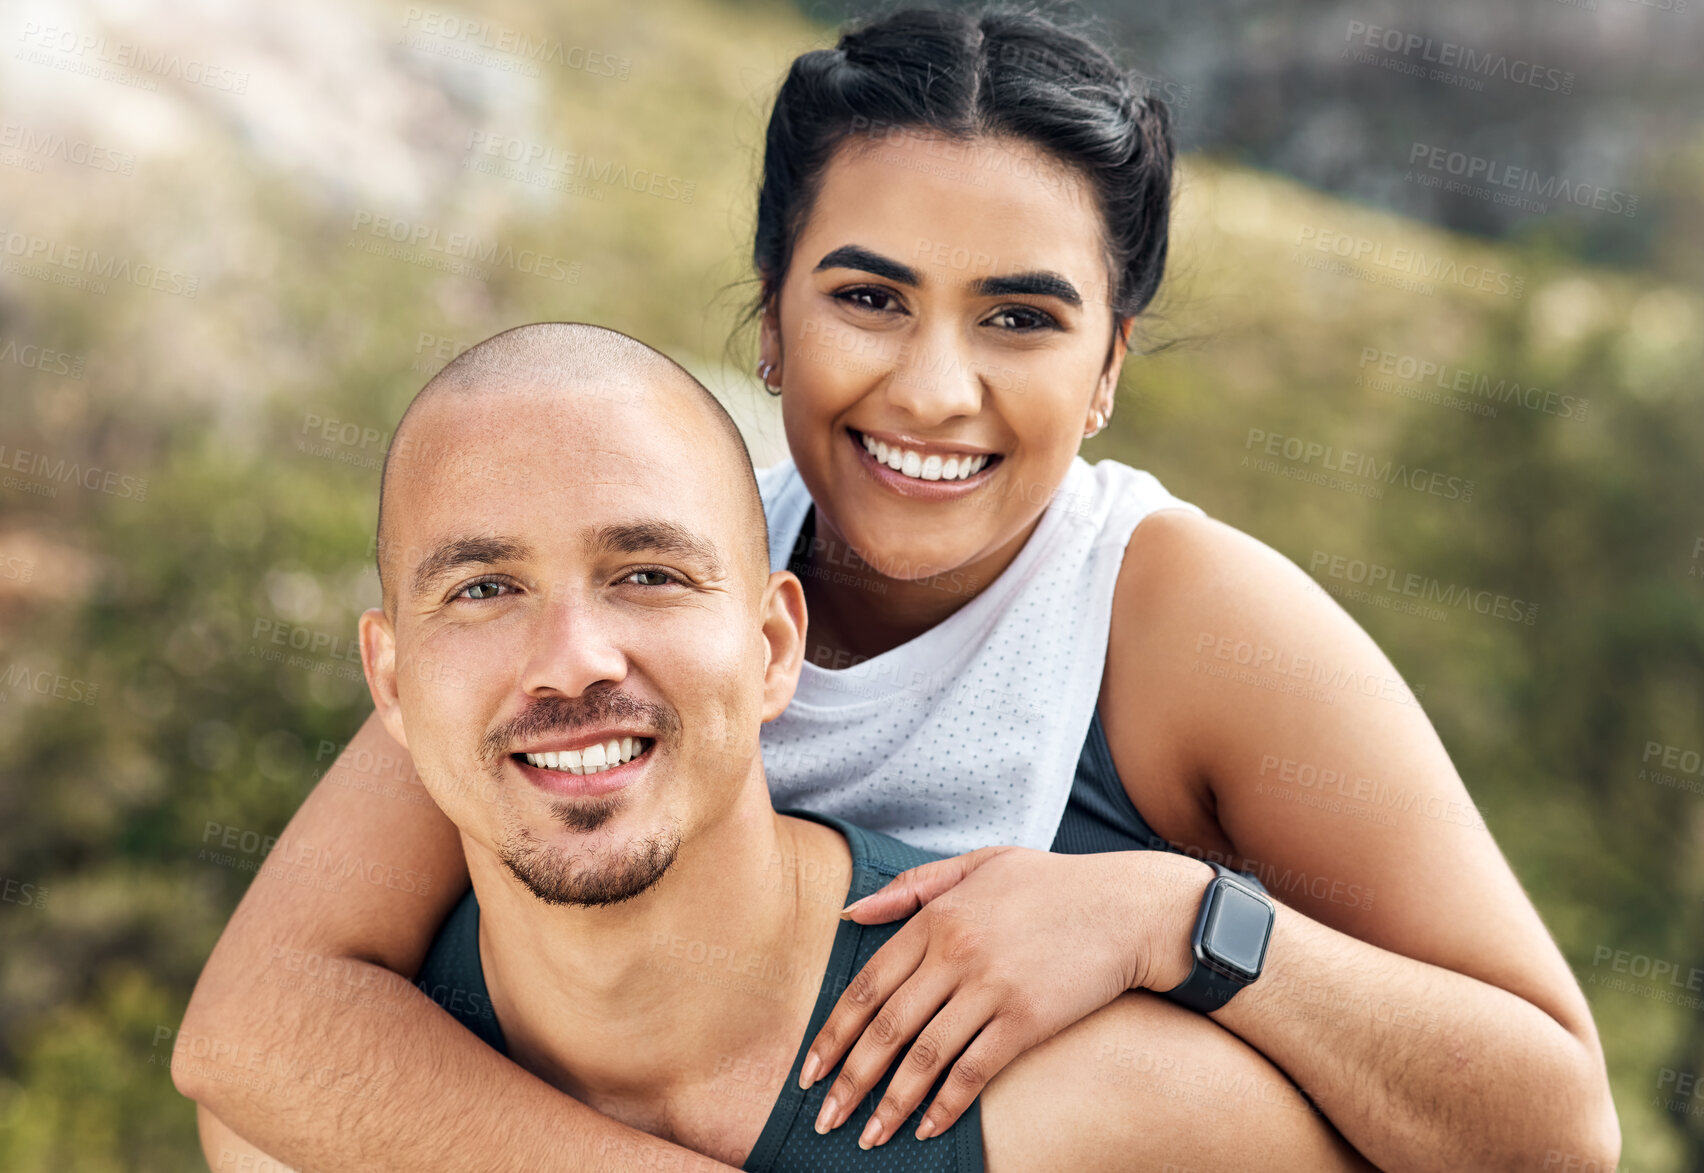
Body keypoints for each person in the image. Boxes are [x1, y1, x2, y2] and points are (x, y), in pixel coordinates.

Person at [176, 8, 1620, 1172]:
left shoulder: (1190, 621)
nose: (934, 389)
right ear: (771, 317)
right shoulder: (642, 587)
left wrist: (1173, 917)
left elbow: (1556, 1129)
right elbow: (262, 1026)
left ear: (1109, 365)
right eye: (869, 298)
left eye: (1020, 318)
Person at [194, 322, 1372, 1172]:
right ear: (391, 685)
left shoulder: (1123, 1114)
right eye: (486, 587)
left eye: (646, 574)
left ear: (772, 649)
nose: (573, 660)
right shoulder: (299, 1127)